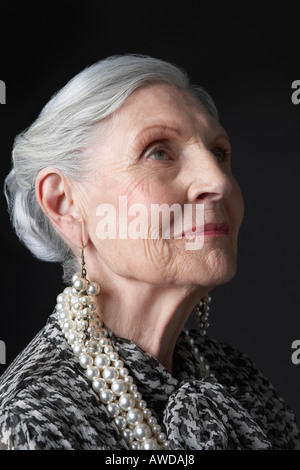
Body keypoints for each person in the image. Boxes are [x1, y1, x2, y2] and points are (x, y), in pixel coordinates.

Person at [0, 54, 299, 450]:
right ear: (64, 204)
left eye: (220, 153)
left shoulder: (240, 380)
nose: (218, 182)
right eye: (159, 151)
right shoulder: (27, 422)